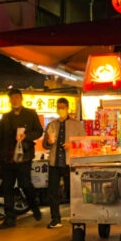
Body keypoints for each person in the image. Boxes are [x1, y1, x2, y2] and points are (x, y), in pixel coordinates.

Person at [0, 89, 43, 229]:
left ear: (21, 99)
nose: (14, 100)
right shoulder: (6, 117)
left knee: (25, 184)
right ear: (9, 100)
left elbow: (39, 131)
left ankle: (34, 206)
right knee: (7, 187)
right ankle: (9, 218)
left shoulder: (30, 114)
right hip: (7, 158)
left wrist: (26, 136)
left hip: (24, 157)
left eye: (17, 97)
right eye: (12, 98)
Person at [42, 98, 85, 229]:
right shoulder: (51, 125)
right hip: (54, 162)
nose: (60, 110)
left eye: (62, 107)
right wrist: (49, 142)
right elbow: (45, 145)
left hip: (70, 162)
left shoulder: (76, 124)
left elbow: (84, 142)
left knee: (73, 191)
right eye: (58, 107)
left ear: (67, 108)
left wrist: (72, 145)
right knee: (53, 192)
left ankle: (76, 217)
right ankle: (55, 218)